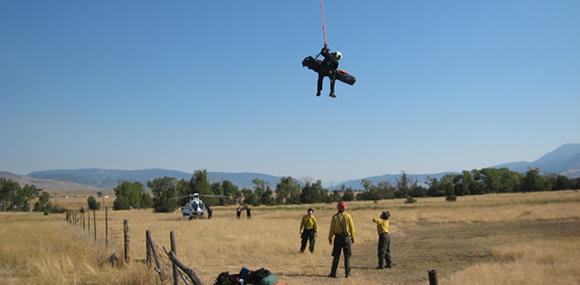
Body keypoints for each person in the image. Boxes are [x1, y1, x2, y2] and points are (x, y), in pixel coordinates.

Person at [328, 201, 355, 278]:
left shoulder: (335, 217)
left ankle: (333, 273)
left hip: (337, 238)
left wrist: (330, 237)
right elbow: (351, 227)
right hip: (346, 238)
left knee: (336, 256)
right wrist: (353, 236)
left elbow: (332, 228)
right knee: (347, 256)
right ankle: (347, 273)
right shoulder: (348, 216)